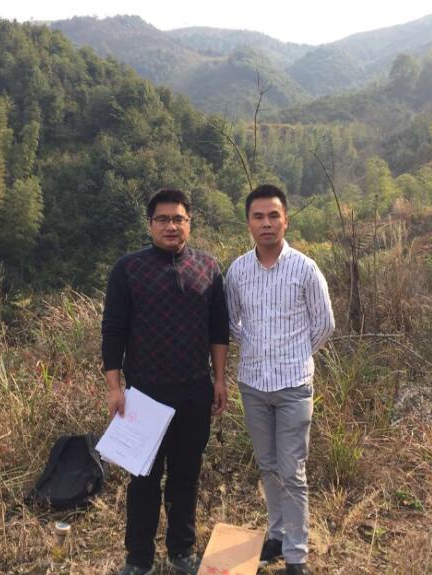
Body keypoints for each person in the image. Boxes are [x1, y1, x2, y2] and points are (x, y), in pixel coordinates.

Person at [101, 188, 229, 575]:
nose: (171, 226)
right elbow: (113, 330)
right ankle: (138, 558)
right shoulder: (128, 269)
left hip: (195, 391)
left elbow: (218, 330)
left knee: (186, 476)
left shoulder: (208, 267)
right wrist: (114, 387)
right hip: (144, 395)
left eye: (178, 219)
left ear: (189, 223)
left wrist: (219, 379)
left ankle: (181, 551)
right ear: (150, 224)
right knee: (143, 479)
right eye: (163, 219)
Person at [225, 184, 335, 575]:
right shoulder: (237, 271)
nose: (267, 223)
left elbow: (324, 324)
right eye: (258, 216)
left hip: (293, 387)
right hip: (253, 385)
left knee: (292, 471)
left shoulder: (305, 268)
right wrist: (257, 347)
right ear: (249, 223)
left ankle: (296, 555)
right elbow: (231, 322)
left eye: (274, 215)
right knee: (268, 466)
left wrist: (294, 354)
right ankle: (275, 535)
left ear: (285, 220)